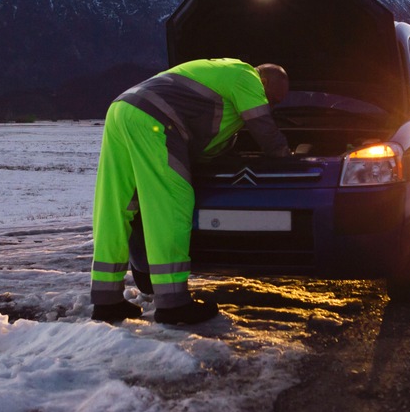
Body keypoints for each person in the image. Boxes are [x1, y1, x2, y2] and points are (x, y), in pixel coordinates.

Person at [90, 58, 290, 324]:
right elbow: (263, 126)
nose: (271, 106)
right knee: (169, 206)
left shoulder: (219, 78)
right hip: (154, 121)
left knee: (117, 205)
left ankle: (106, 301)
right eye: (273, 100)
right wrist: (287, 159)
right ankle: (173, 304)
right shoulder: (246, 76)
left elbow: (205, 145)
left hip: (121, 110)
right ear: (263, 80)